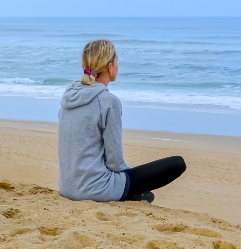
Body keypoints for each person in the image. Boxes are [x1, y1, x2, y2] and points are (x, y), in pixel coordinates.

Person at [57, 39, 186, 203]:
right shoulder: (108, 101)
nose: (118, 66)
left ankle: (133, 195)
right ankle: (129, 193)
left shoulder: (69, 96)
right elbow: (115, 162)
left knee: (144, 194)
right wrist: (130, 179)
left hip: (67, 187)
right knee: (177, 163)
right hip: (93, 189)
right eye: (117, 62)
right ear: (110, 67)